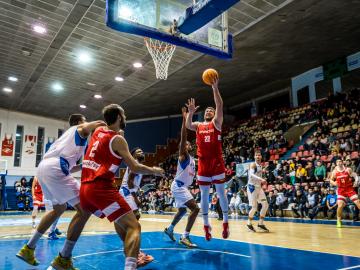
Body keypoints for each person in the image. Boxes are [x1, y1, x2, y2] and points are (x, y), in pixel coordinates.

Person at [80, 104, 164, 270]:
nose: (125, 118)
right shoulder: (118, 140)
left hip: (85, 188)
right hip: (101, 188)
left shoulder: (98, 132)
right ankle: (132, 264)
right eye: (124, 115)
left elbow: (108, 137)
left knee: (120, 222)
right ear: (119, 117)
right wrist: (155, 171)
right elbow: (134, 167)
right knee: (134, 226)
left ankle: (65, 256)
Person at [17, 114, 105, 268]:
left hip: (45, 167)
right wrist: (108, 128)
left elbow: (71, 166)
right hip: (55, 167)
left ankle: (28, 248)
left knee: (59, 208)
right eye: (84, 120)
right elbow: (95, 124)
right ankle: (63, 259)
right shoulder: (78, 129)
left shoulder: (67, 140)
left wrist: (86, 164)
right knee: (85, 210)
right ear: (79, 122)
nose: (86, 123)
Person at [185, 78, 229, 241]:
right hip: (203, 163)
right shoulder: (198, 125)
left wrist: (215, 88)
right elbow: (188, 124)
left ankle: (225, 222)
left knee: (221, 194)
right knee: (204, 196)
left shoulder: (217, 123)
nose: (209, 111)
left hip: (216, 163)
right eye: (207, 111)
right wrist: (190, 111)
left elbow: (220, 105)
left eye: (211, 110)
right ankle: (206, 225)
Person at [164, 107, 200, 248]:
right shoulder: (183, 156)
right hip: (179, 186)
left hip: (182, 186)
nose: (186, 144)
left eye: (187, 143)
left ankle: (170, 229)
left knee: (183, 210)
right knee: (195, 209)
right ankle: (185, 237)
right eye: (184, 144)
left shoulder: (191, 158)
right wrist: (184, 119)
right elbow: (184, 136)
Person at [119, 147, 154, 266]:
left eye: (142, 151)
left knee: (132, 224)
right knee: (134, 223)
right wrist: (136, 198)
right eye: (138, 152)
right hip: (126, 193)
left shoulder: (135, 165)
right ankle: (134, 254)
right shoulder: (135, 164)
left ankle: (133, 250)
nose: (141, 152)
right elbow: (129, 183)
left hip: (127, 193)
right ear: (133, 155)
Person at [328, 159, 360, 228]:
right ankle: (338, 220)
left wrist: (356, 181)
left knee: (358, 202)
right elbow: (330, 180)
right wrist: (334, 183)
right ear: (336, 164)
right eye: (338, 162)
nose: (339, 163)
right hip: (341, 190)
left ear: (342, 163)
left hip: (349, 189)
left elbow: (355, 175)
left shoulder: (348, 169)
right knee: (340, 205)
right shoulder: (334, 172)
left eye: (340, 161)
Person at [246, 151, 269, 232]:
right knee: (254, 208)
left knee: (265, 204)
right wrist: (261, 179)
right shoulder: (253, 164)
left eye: (259, 155)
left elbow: (258, 175)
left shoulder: (261, 166)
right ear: (254, 157)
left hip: (259, 188)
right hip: (252, 188)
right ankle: (249, 224)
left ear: (261, 156)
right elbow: (251, 174)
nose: (258, 156)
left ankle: (260, 224)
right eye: (256, 155)